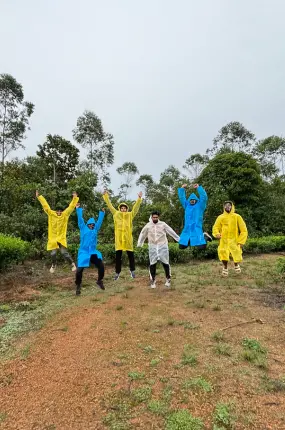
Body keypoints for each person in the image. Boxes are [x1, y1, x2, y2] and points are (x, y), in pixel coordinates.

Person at [103, 190, 143, 280]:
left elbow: (135, 208)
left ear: (126, 209)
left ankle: (132, 271)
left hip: (128, 240)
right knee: (118, 258)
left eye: (125, 208)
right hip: (119, 241)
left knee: (131, 257)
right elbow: (110, 205)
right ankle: (117, 273)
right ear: (119, 209)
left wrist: (139, 199)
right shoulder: (116, 214)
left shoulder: (130, 215)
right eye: (122, 208)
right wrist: (105, 196)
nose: (123, 209)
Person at [36, 190, 78, 273]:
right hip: (53, 238)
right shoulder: (51, 214)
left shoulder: (65, 214)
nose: (59, 212)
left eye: (60, 211)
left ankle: (72, 264)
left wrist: (75, 198)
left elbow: (71, 207)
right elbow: (46, 206)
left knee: (63, 253)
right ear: (56, 211)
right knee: (53, 254)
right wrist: (39, 197)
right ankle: (53, 265)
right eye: (58, 210)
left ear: (62, 211)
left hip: (61, 238)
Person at [137, 211, 180, 288]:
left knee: (165, 262)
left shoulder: (163, 224)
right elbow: (143, 234)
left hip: (162, 246)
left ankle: (168, 279)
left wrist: (179, 240)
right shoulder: (148, 225)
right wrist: (140, 243)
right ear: (151, 217)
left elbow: (171, 231)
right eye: (154, 217)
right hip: (152, 246)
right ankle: (153, 280)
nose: (155, 218)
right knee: (152, 263)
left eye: (156, 217)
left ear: (158, 217)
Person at [75, 203, 105, 295]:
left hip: (93, 252)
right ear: (87, 224)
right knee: (79, 270)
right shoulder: (83, 228)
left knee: (101, 266)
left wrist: (102, 213)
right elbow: (80, 219)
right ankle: (78, 286)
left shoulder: (95, 229)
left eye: (93, 225)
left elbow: (99, 222)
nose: (92, 226)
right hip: (83, 252)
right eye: (90, 224)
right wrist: (78, 209)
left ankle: (99, 281)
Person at [212, 201, 248, 276]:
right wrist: (217, 234)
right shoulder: (220, 217)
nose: (227, 207)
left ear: (232, 207)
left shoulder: (237, 216)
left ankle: (236, 265)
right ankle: (225, 268)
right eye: (226, 205)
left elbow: (243, 229)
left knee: (236, 252)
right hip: (224, 240)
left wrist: (241, 241)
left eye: (229, 205)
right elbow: (215, 227)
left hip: (234, 239)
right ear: (224, 207)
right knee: (223, 253)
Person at [178, 183, 210, 249]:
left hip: (196, 227)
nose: (192, 201)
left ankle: (205, 236)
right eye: (191, 200)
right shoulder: (187, 205)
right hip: (187, 228)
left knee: (202, 247)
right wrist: (182, 188)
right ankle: (188, 241)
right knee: (181, 246)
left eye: (194, 200)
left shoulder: (200, 205)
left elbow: (204, 197)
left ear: (196, 200)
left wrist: (198, 188)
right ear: (189, 200)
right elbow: (182, 198)